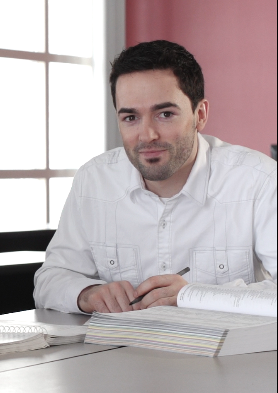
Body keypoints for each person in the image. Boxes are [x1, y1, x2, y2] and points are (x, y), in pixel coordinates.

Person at [34, 40, 277, 314]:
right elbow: (50, 280)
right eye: (130, 118)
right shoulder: (94, 181)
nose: (147, 135)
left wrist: (195, 295)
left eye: (165, 114)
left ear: (200, 115)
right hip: (121, 342)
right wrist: (87, 294)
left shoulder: (260, 180)